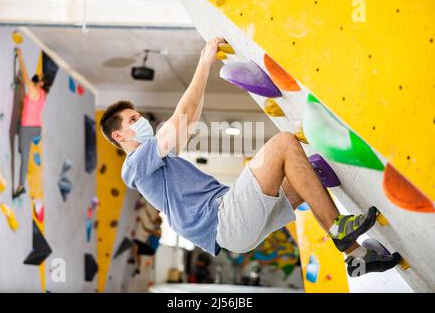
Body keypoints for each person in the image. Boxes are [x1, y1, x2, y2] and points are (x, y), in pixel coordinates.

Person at [99, 37, 401, 277]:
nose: (141, 121)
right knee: (283, 143)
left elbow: (190, 118)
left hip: (234, 227)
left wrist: (206, 69)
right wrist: (203, 63)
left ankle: (358, 257)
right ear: (119, 136)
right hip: (223, 219)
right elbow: (180, 118)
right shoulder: (135, 165)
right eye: (133, 119)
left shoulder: (158, 162)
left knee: (307, 171)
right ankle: (338, 228)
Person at [13, 48, 48, 199]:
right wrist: (22, 83)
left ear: (37, 82)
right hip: (36, 129)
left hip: (27, 128)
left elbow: (25, 74)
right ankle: (31, 141)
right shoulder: (42, 94)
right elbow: (27, 95)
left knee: (24, 154)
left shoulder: (33, 90)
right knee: (23, 148)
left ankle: (21, 186)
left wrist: (20, 56)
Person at [128, 207, 162, 277]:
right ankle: (138, 268)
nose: (153, 221)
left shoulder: (157, 232)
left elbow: (145, 229)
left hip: (151, 249)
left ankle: (133, 259)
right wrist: (145, 209)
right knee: (137, 250)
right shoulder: (156, 227)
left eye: (154, 221)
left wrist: (141, 220)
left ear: (157, 223)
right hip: (150, 248)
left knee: (135, 243)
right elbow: (150, 217)